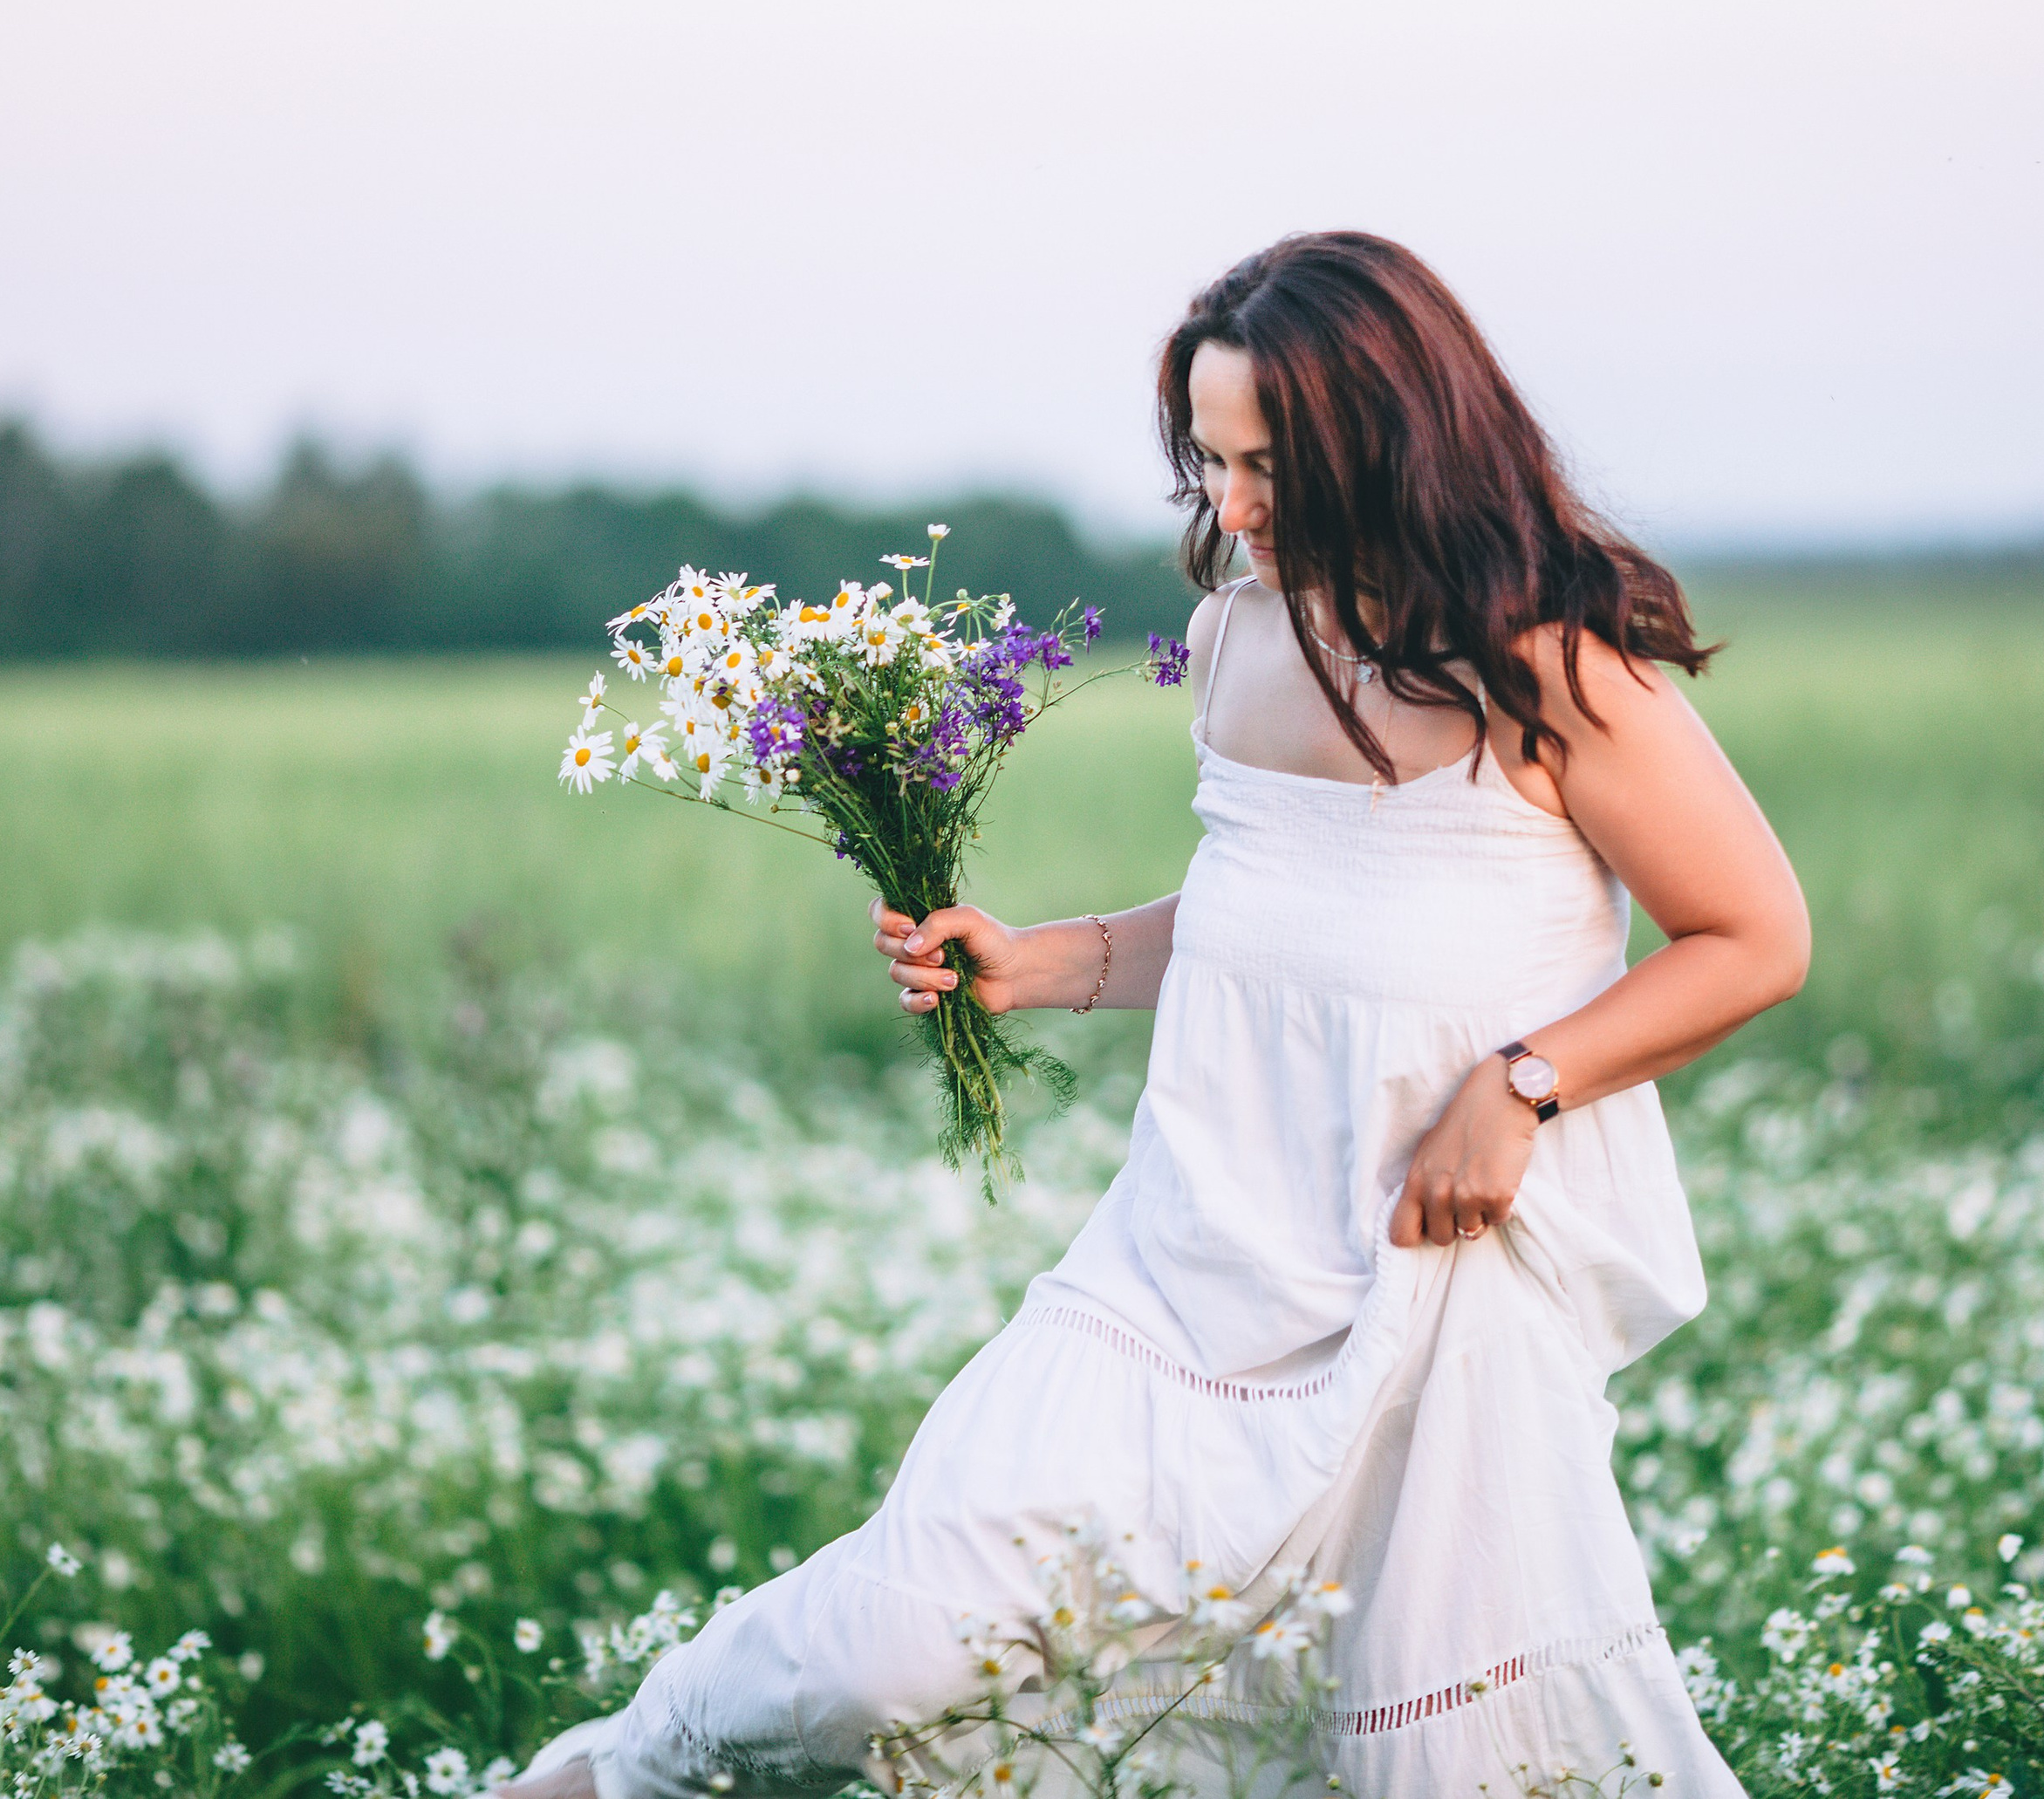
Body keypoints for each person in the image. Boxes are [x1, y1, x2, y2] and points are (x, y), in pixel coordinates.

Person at [512, 232, 1808, 1796]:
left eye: (1276, 466)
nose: (1237, 508)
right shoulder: (1238, 639)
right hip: (1182, 1259)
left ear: (1394, 446)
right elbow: (1263, 920)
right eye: (1210, 460)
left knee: (1437, 1748)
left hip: (1433, 1274)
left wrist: (1525, 1084)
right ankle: (598, 1778)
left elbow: (1754, 937)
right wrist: (1041, 958)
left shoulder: (1547, 661)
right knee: (890, 1646)